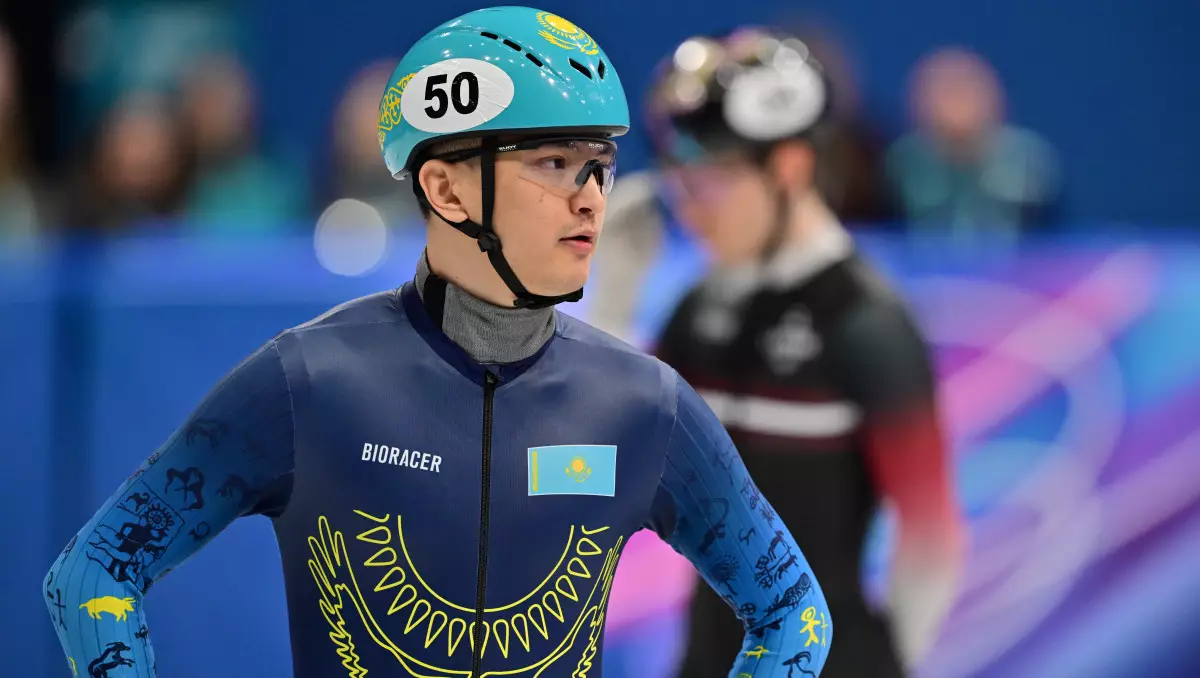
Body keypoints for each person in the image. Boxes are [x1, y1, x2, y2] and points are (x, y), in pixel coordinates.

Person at [44, 8, 831, 678]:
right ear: (445, 188)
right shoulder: (309, 380)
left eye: (600, 167)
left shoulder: (644, 403)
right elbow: (91, 576)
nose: (591, 198)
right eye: (555, 163)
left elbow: (794, 615)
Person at [640, 28, 967, 678]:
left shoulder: (866, 323)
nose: (691, 211)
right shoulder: (699, 309)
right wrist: (615, 301)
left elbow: (931, 538)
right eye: (680, 183)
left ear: (789, 169)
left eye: (712, 183)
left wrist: (886, 665)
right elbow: (614, 465)